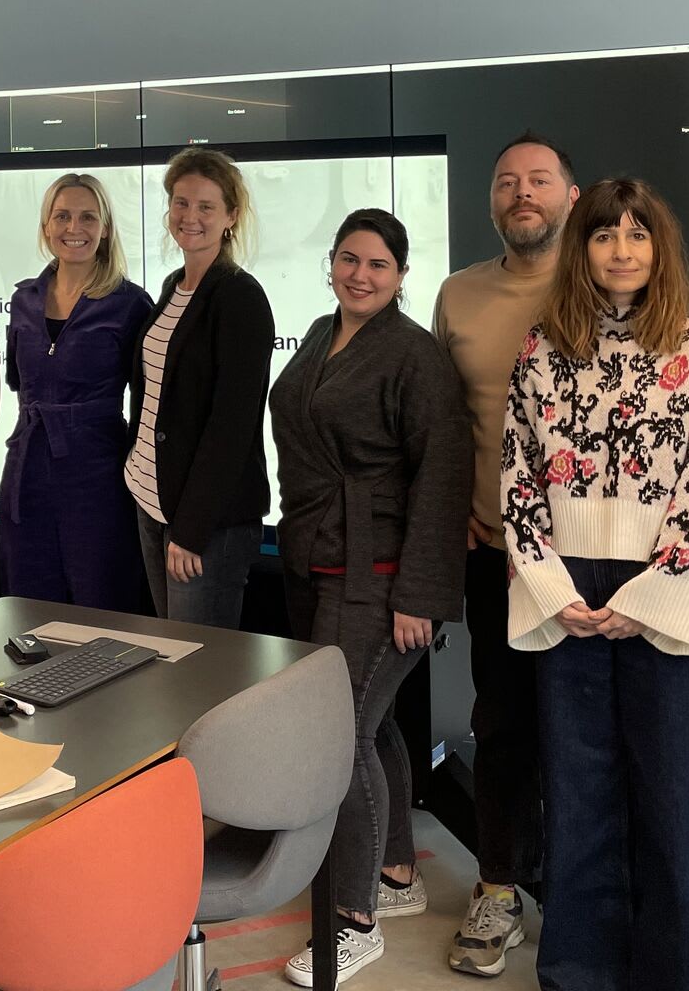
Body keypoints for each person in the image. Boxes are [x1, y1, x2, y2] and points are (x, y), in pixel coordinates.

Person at [502, 176, 689, 991]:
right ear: (584, 246)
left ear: (659, 248)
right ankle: (581, 974)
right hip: (567, 597)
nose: (622, 250)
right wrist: (548, 587)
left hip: (665, 594)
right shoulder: (544, 345)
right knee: (580, 805)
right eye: (606, 235)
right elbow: (517, 475)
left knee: (679, 807)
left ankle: (683, 977)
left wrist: (647, 600)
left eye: (638, 235)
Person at [274, 208, 473, 988]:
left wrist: (419, 592)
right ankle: (395, 874)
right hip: (320, 559)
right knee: (373, 720)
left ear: (400, 277)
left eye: (378, 265)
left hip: (384, 571)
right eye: (349, 259)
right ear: (332, 263)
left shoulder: (415, 356)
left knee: (340, 734)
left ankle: (350, 918)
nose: (361, 274)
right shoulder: (324, 334)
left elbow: (443, 476)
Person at [430, 132, 578, 976]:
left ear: (570, 192)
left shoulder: (607, 278)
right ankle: (498, 889)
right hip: (495, 554)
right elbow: (447, 421)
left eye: (539, 181)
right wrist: (456, 514)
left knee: (587, 730)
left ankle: (589, 894)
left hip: (594, 562)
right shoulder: (459, 293)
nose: (522, 194)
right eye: (506, 183)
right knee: (506, 724)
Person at [125, 148, 274, 629]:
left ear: (231, 216)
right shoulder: (174, 286)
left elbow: (231, 426)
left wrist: (190, 531)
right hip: (153, 501)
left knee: (199, 675)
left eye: (206, 206)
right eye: (181, 203)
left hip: (205, 525)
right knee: (173, 660)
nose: (190, 216)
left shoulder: (240, 298)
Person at [0, 173, 155, 610]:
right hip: (26, 472)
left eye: (88, 217)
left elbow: (147, 405)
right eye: (62, 216)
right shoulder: (23, 300)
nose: (74, 228)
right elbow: (17, 382)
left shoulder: (131, 304)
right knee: (27, 613)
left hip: (99, 475)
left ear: (105, 227)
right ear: (46, 226)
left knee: (101, 608)